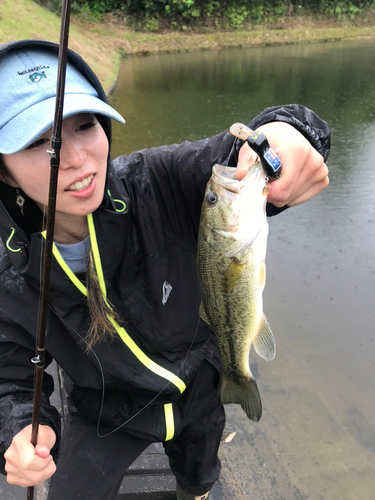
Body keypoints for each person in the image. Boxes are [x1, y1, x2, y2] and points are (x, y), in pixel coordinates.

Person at [0, 39, 330, 500]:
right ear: (3, 171)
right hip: (106, 411)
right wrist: (19, 432)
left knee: (199, 480)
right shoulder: (7, 278)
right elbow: (9, 377)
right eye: (39, 141)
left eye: (86, 124)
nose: (77, 158)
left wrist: (288, 136)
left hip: (202, 389)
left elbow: (242, 150)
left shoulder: (157, 181)